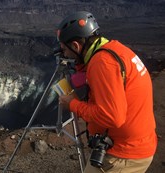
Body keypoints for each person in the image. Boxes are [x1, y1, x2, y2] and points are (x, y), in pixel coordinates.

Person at [57, 11, 157, 173]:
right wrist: (82, 68)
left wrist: (73, 104)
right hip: (137, 144)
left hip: (123, 155)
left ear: (76, 46)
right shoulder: (114, 49)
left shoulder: (102, 63)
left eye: (65, 49)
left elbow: (112, 116)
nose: (64, 55)